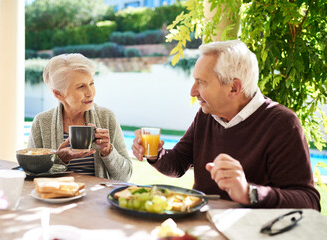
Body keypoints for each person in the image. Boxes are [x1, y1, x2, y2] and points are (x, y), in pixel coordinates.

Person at [132, 40, 321, 210]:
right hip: (202, 225)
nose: (192, 91)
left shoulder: (282, 123)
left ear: (234, 88)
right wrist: (156, 154)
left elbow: (309, 201)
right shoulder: (207, 115)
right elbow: (178, 163)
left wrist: (249, 192)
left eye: (201, 82)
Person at [28, 53, 132, 181]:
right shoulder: (41, 122)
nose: (90, 93)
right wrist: (60, 159)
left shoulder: (107, 117)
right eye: (81, 86)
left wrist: (108, 151)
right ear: (58, 94)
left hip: (98, 199)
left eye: (91, 83)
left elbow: (125, 176)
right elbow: (31, 173)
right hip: (57, 198)